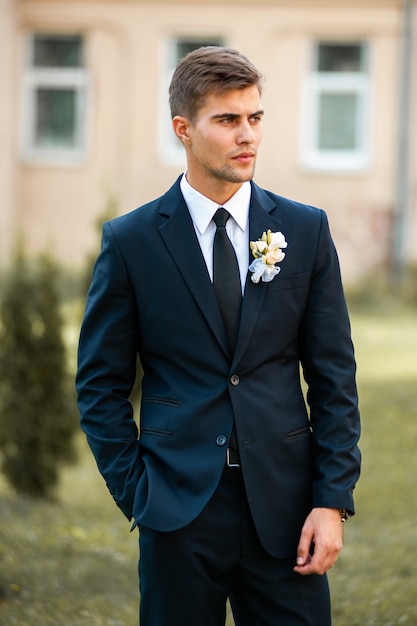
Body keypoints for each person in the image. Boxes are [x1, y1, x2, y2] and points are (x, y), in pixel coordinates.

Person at [76, 46, 361, 626]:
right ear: (183, 129)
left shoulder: (305, 230)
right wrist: (140, 495)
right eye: (227, 120)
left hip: (286, 510)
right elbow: (99, 387)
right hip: (177, 509)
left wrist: (330, 500)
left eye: (255, 118)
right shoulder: (132, 243)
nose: (247, 135)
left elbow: (334, 377)